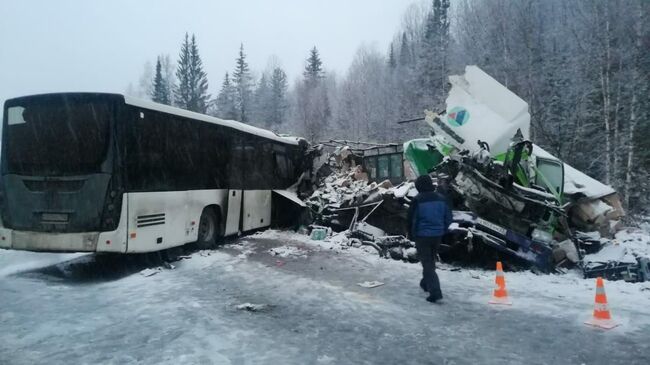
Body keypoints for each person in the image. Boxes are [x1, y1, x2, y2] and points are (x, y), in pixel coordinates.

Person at [407, 174, 452, 303]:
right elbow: (448, 217)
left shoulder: (417, 200)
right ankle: (425, 283)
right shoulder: (441, 199)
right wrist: (442, 229)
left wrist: (411, 234)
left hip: (422, 236)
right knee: (430, 261)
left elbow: (411, 219)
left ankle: (435, 292)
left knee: (427, 263)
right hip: (437, 235)